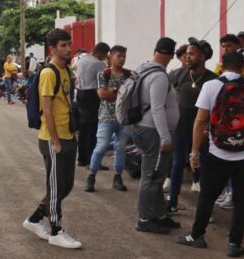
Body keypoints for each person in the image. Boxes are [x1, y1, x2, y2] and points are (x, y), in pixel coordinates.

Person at [177, 52, 244, 257]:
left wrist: (195, 151)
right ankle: (234, 244)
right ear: (243, 68)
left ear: (221, 66)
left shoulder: (210, 86)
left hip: (217, 152)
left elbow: (199, 121)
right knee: (241, 200)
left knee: (207, 195)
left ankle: (197, 236)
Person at [23, 28, 82, 249]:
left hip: (68, 135)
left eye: (69, 44)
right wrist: (55, 141)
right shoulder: (49, 73)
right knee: (56, 187)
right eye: (63, 45)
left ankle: (35, 219)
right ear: (53, 48)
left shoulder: (66, 69)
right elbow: (46, 110)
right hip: (53, 138)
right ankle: (56, 231)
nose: (68, 49)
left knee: (65, 186)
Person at [133, 37, 180, 235]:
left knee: (157, 174)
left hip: (143, 128)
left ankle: (159, 214)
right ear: (170, 55)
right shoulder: (159, 76)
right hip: (153, 131)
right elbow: (157, 108)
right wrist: (165, 137)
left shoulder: (143, 68)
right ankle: (144, 219)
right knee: (151, 176)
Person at [167, 39, 217, 213]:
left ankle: (205, 211)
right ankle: (172, 202)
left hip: (203, 132)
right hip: (180, 128)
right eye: (186, 53)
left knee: (203, 170)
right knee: (177, 164)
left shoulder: (212, 80)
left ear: (202, 56)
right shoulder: (178, 75)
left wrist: (208, 130)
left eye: (192, 53)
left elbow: (216, 108)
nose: (187, 57)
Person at [84, 45, 131, 192]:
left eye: (124, 56)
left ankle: (117, 177)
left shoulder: (129, 75)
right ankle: (91, 176)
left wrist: (112, 92)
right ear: (111, 56)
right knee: (101, 146)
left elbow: (131, 94)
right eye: (119, 56)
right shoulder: (104, 74)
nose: (122, 59)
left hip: (124, 118)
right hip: (106, 117)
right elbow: (102, 95)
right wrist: (121, 93)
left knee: (120, 148)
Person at [75, 42, 110, 167]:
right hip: (92, 95)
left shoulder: (81, 59)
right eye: (105, 55)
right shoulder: (98, 63)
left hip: (81, 93)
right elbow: (104, 80)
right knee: (93, 128)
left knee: (83, 128)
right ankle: (92, 160)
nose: (105, 57)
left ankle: (82, 158)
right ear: (100, 53)